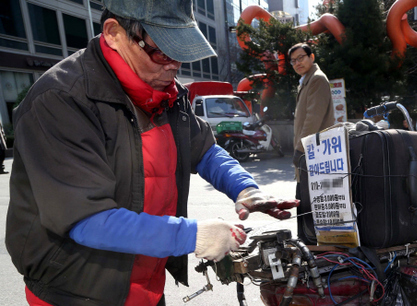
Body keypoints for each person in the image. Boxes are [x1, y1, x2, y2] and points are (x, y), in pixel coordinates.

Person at [5, 1, 298, 305]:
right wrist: (192, 235)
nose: (174, 65)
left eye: (181, 53)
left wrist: (246, 188)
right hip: (76, 290)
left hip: (146, 283)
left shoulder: (166, 92)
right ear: (114, 33)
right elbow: (87, 219)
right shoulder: (61, 100)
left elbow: (205, 151)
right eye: (162, 52)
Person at [288, 43, 334, 244]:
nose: (297, 63)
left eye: (301, 57)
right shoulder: (306, 81)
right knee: (303, 200)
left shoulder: (317, 80)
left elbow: (313, 119)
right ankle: (307, 243)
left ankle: (312, 246)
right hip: (309, 153)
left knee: (310, 202)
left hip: (313, 154)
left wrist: (300, 149)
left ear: (311, 57)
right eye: (293, 60)